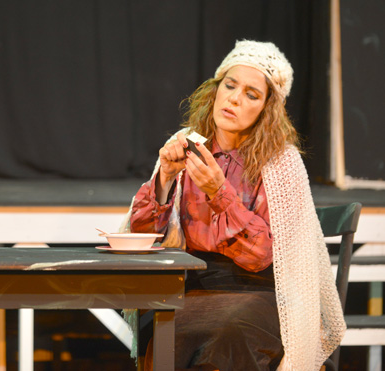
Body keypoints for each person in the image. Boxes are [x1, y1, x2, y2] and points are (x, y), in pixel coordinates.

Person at [120, 40, 345, 370]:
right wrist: (165, 177)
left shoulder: (280, 162)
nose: (235, 98)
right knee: (168, 333)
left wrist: (219, 193)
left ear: (267, 109)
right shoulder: (188, 145)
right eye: (230, 85)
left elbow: (260, 257)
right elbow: (143, 239)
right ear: (216, 89)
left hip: (265, 293)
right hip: (193, 286)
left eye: (251, 94)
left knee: (230, 333)